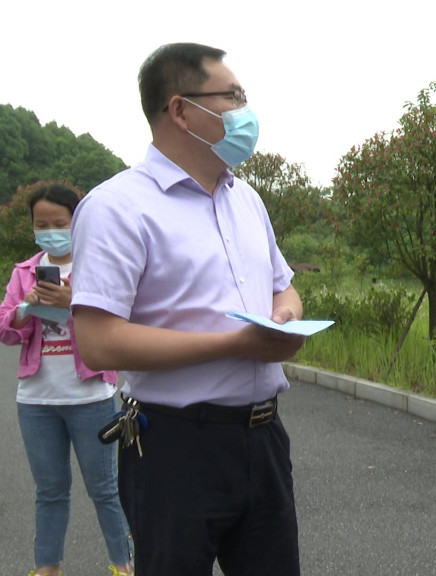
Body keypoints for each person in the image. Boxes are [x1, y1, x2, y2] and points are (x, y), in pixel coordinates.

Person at [70, 43, 306, 576]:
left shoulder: (245, 199)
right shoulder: (116, 208)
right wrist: (235, 344)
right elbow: (99, 342)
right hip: (174, 446)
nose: (245, 110)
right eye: (233, 96)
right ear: (180, 110)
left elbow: (284, 289)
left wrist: (285, 319)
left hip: (264, 436)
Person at [0, 183, 133, 576]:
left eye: (59, 223)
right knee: (49, 491)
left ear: (77, 223)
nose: (50, 231)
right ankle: (47, 568)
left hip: (91, 397)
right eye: (41, 224)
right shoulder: (23, 272)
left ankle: (123, 564)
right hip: (36, 400)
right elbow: (6, 329)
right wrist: (26, 308)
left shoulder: (95, 267)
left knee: (104, 489)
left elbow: (116, 324)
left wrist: (71, 303)